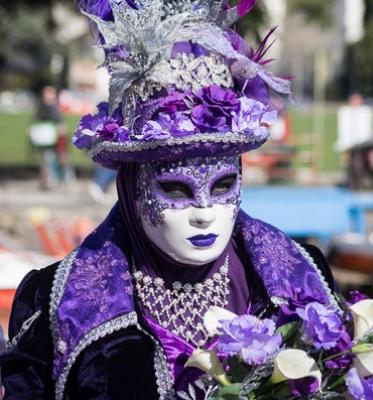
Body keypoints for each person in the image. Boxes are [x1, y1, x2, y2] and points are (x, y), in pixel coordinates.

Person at [0, 1, 337, 399]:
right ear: (131, 188)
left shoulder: (301, 280)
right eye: (176, 189)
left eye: (224, 185)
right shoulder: (56, 305)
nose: (204, 214)